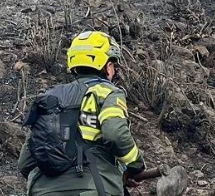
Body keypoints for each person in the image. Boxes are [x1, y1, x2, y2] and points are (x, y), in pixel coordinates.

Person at [18, 31, 146, 196]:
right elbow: (115, 134)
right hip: (94, 188)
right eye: (113, 65)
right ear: (107, 67)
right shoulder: (107, 93)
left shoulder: (50, 97)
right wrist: (135, 166)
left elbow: (25, 163)